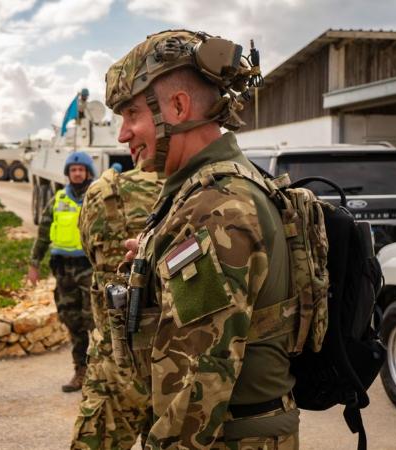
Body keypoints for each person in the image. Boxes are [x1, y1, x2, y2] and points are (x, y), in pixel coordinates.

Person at [106, 30, 297, 448]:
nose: (123, 134)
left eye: (131, 114)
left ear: (177, 106)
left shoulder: (214, 206)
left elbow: (196, 379)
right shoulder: (217, 187)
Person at [71, 142, 163, 448]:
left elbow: (89, 252)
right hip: (179, 365)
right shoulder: (203, 194)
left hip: (115, 359)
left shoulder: (102, 193)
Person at [28, 151, 96, 392]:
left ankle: (100, 373)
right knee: (72, 320)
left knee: (95, 320)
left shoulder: (96, 198)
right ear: (68, 174)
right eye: (73, 169)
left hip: (89, 268)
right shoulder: (58, 199)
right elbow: (43, 233)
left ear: (88, 172)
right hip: (64, 270)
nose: (77, 173)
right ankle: (80, 371)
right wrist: (34, 263)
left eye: (81, 169)